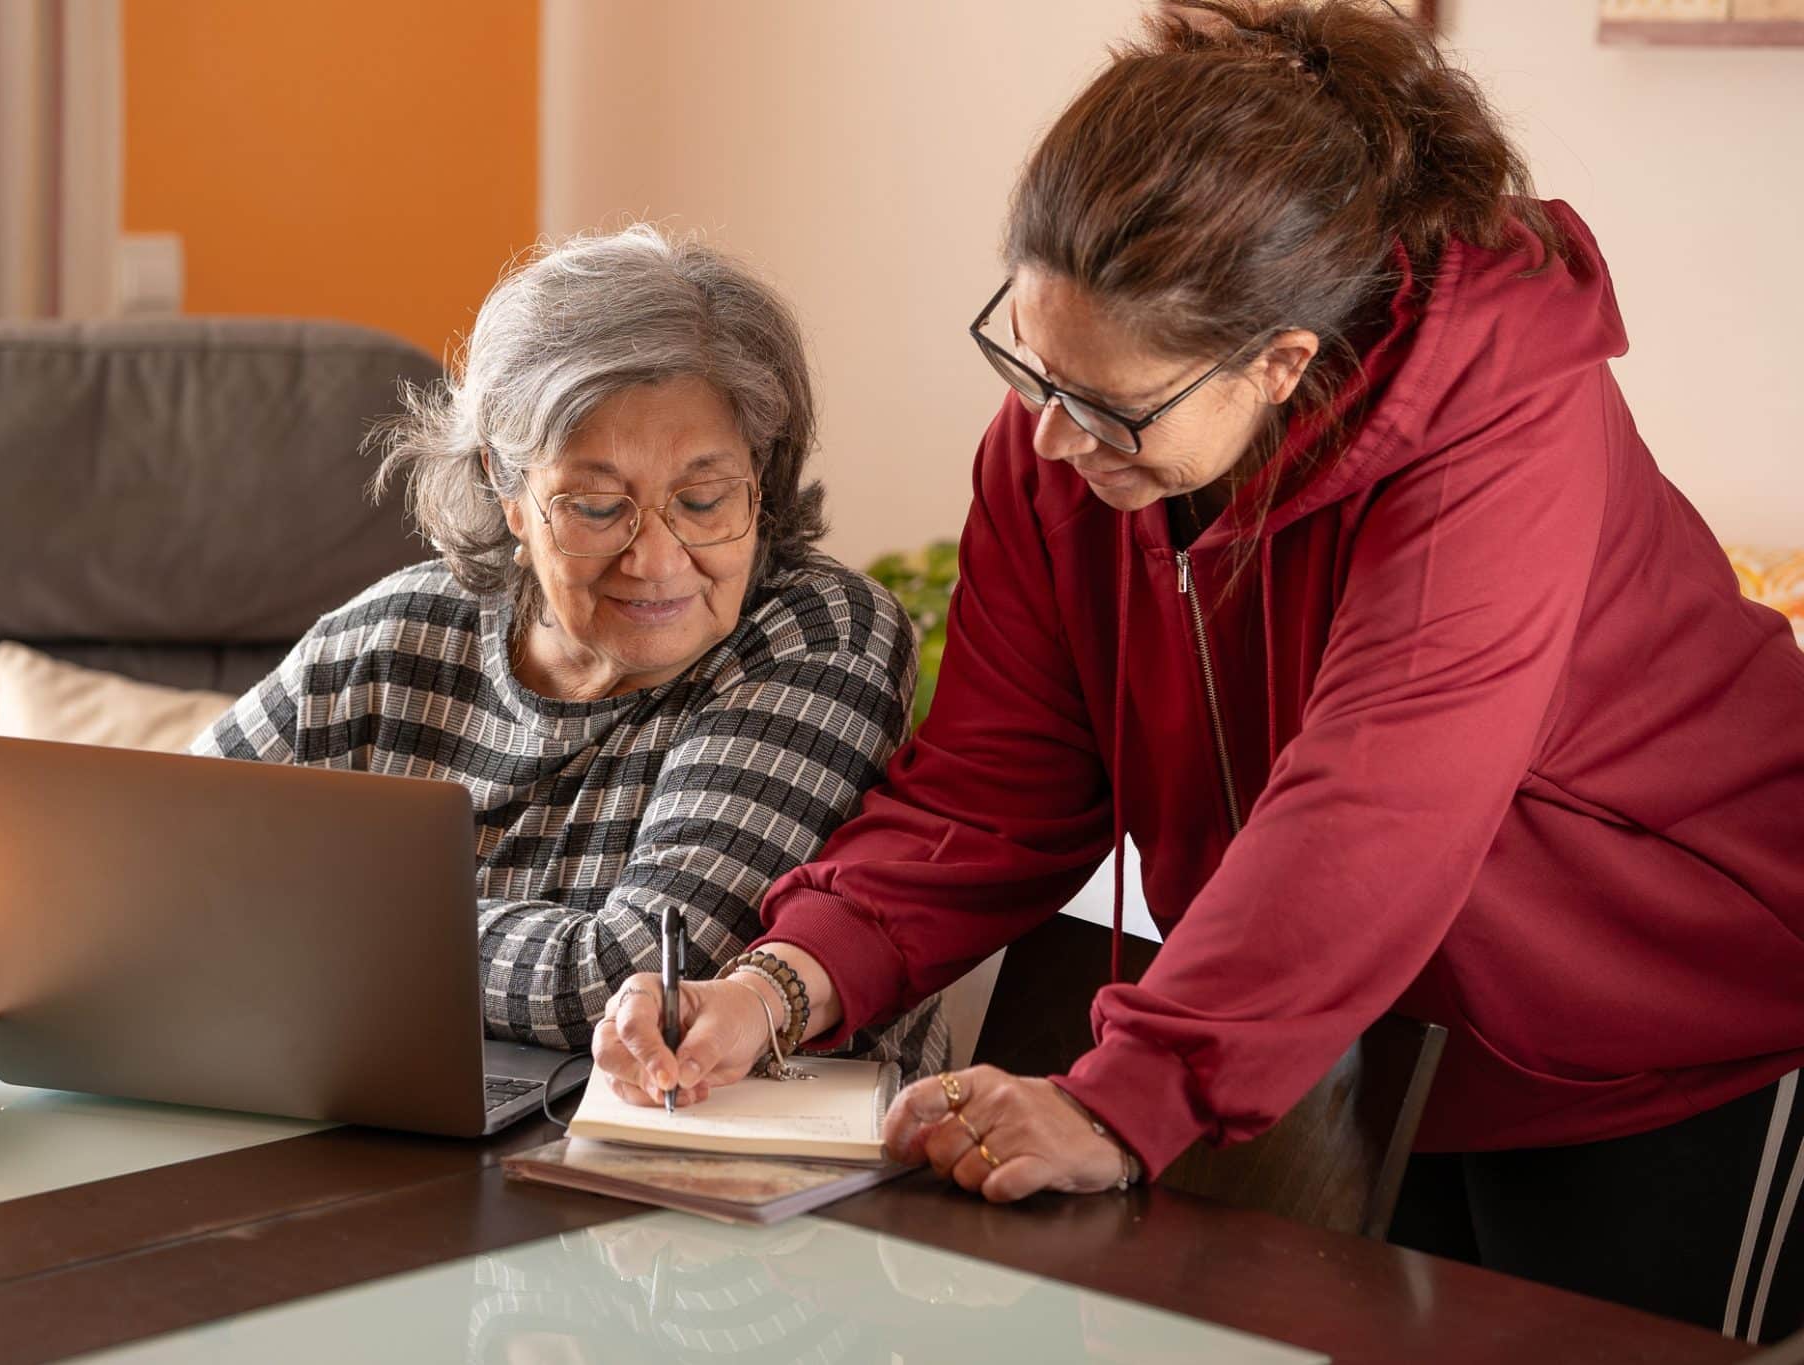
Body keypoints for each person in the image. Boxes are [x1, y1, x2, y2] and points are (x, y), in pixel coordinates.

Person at [590, 0, 1804, 1341]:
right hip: (1392, 1037)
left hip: (1674, 1012)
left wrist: (1126, 1097)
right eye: (1031, 363)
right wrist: (781, 984)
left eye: (1107, 405)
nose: (1050, 436)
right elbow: (991, 789)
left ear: (1280, 362)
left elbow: (1377, 805)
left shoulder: (1504, 419)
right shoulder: (1062, 449)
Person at [195, 225, 947, 1078]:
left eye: (702, 500)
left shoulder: (818, 635)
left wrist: (296, 919)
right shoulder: (390, 638)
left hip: (729, 1172)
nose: (656, 559)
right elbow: (162, 857)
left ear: (761, 478)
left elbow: (634, 979)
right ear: (507, 490)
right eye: (595, 507)